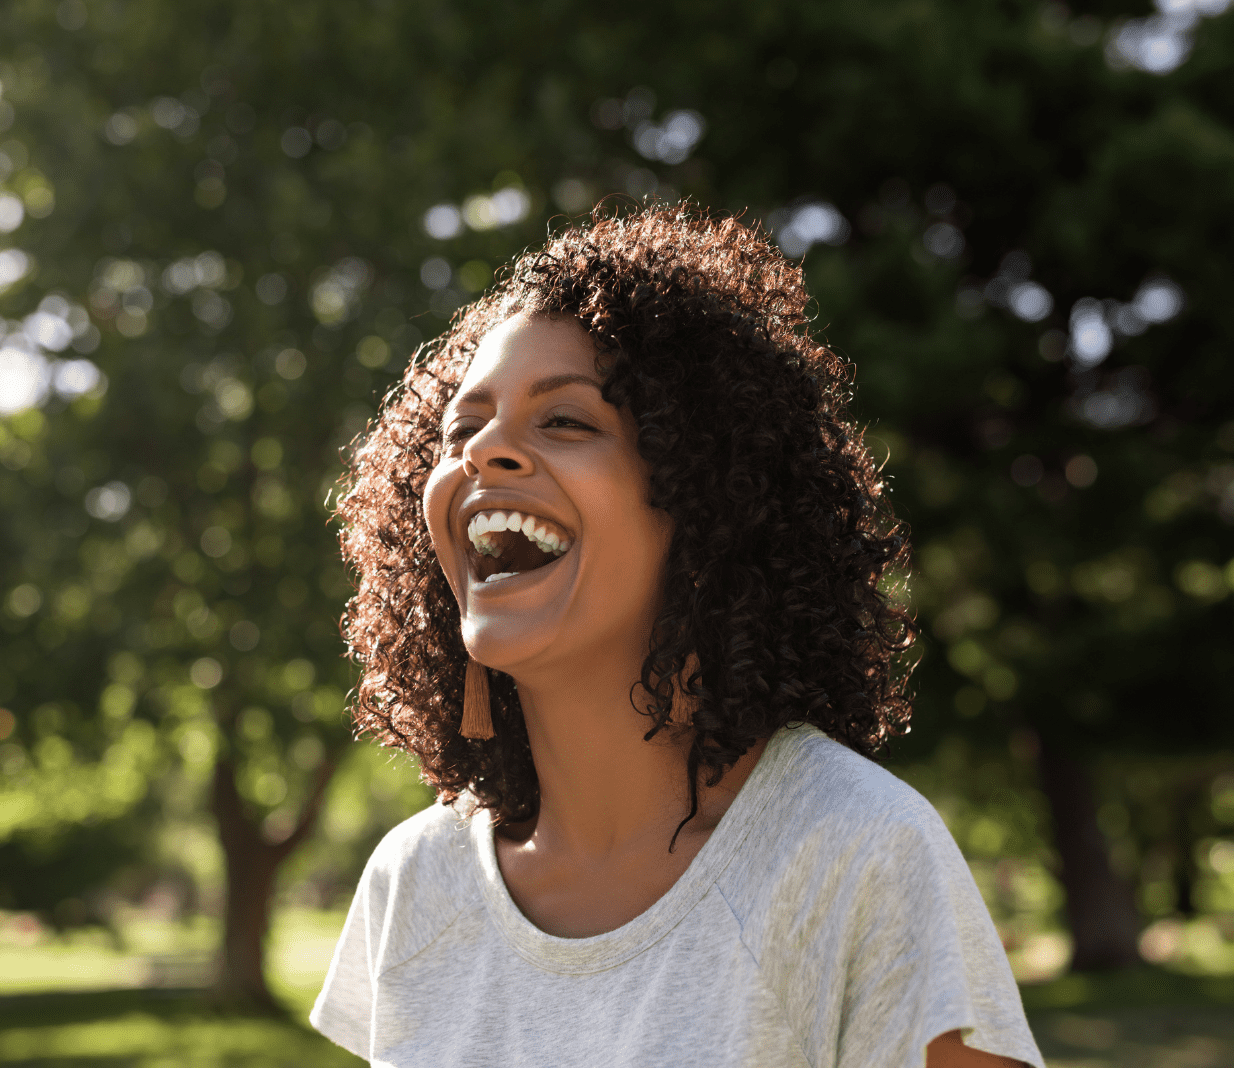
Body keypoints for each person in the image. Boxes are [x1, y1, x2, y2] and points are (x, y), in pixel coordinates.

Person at [314, 203, 1044, 1067]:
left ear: (706, 504)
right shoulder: (414, 882)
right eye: (460, 430)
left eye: (568, 421)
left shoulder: (855, 853)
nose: (484, 453)